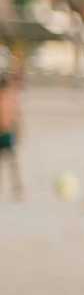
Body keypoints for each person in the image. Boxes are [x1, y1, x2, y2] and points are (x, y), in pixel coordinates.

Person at [0, 73, 24, 201]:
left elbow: (15, 116)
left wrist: (17, 131)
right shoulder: (9, 98)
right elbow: (15, 117)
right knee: (13, 163)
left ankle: (17, 189)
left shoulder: (9, 98)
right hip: (6, 134)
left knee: (12, 163)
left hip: (6, 134)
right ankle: (17, 189)